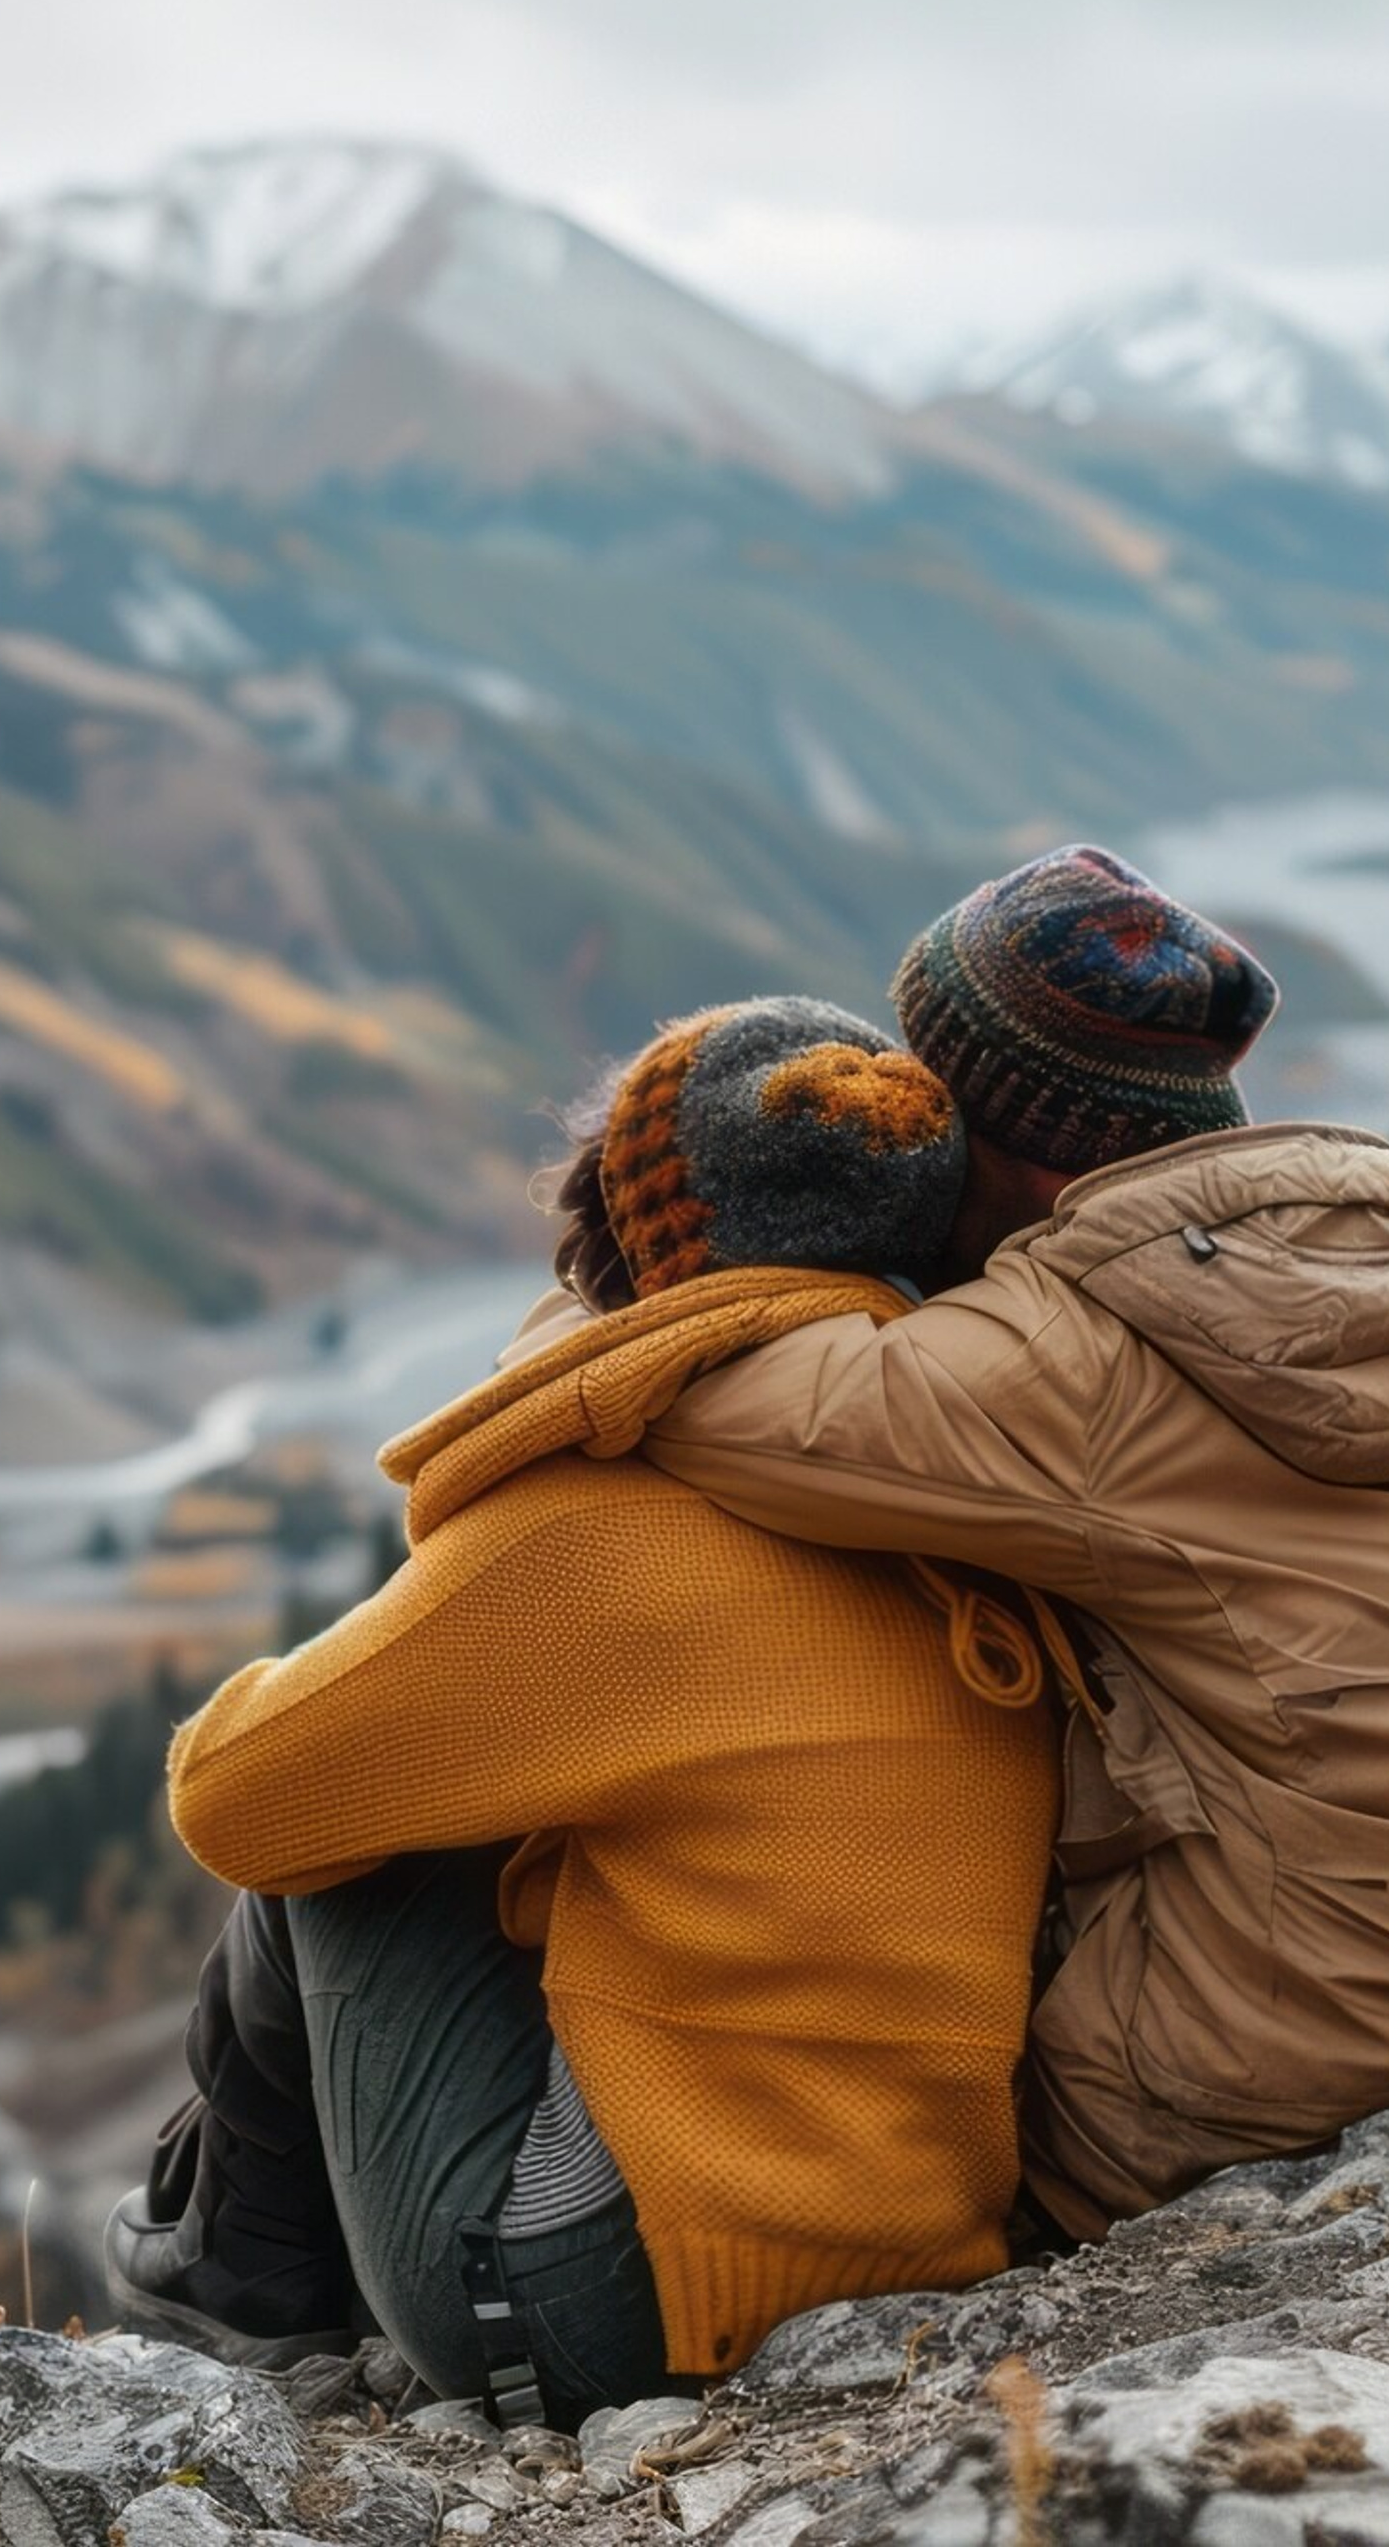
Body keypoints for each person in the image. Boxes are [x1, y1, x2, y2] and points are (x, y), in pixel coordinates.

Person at [105, 999, 1061, 2425]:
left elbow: (232, 1800)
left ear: (620, 1237)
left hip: (611, 2311)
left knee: (336, 1829)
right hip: (923, 2245)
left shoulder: (606, 1523)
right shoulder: (960, 1480)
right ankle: (229, 2266)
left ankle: (226, 2278)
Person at [623, 847, 1389, 2242]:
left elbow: (701, 1406)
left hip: (1241, 2080)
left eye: (924, 1091)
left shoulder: (1078, 1359)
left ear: (1000, 1128)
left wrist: (635, 1244)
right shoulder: (1339, 1234)